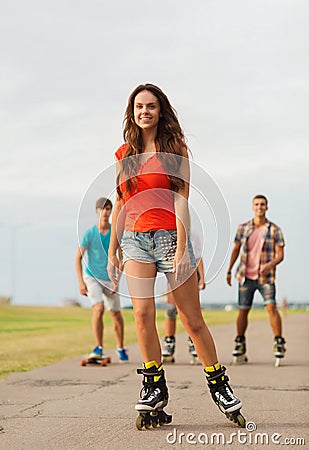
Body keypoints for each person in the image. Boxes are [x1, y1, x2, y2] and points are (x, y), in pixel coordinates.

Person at [107, 83, 245, 428]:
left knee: (191, 319)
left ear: (160, 110)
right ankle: (153, 385)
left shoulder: (175, 149)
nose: (144, 112)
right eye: (139, 106)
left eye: (151, 106)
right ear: (132, 112)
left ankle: (219, 385)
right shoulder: (123, 154)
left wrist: (183, 247)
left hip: (170, 237)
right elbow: (122, 202)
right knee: (141, 313)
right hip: (135, 239)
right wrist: (113, 249)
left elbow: (182, 198)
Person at [226, 194, 286, 363]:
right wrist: (229, 270)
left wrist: (269, 265)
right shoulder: (243, 228)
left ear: (266, 207)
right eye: (257, 204)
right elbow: (236, 249)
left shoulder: (275, 230)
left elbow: (280, 254)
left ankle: (279, 341)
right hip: (245, 275)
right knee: (243, 309)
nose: (260, 207)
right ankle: (240, 341)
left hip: (266, 277)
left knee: (271, 307)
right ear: (253, 207)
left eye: (263, 204)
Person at [75, 197, 128, 362]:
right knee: (98, 309)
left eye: (108, 209)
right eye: (102, 209)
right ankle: (98, 347)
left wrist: (117, 280)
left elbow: (122, 258)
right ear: (97, 211)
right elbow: (78, 258)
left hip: (110, 278)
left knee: (116, 314)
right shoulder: (90, 234)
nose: (105, 212)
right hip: (92, 276)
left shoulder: (115, 233)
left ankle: (120, 347)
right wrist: (81, 282)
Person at [162, 230, 206, 364]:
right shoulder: (167, 234)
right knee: (171, 310)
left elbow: (198, 258)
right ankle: (169, 344)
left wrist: (202, 278)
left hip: (190, 275)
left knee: (191, 313)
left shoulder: (193, 236)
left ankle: (194, 345)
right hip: (173, 274)